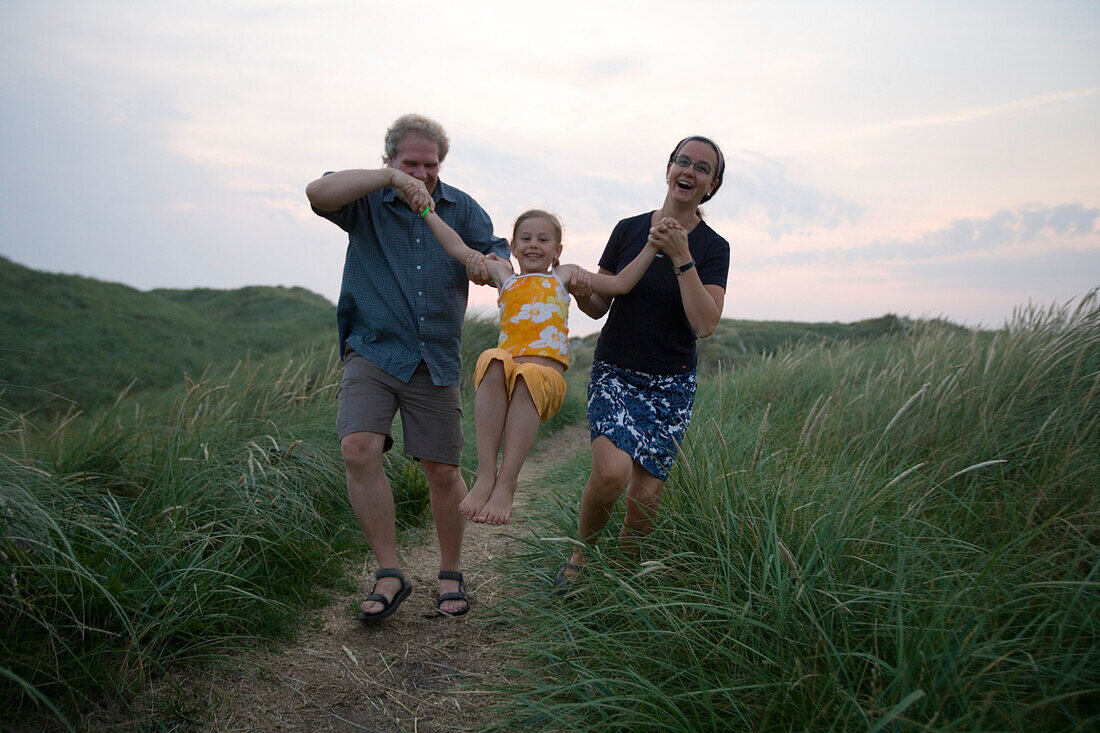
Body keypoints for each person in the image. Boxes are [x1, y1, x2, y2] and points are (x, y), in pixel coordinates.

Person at [305, 113, 509, 620]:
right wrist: (389, 181)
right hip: (372, 346)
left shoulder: (462, 207)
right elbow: (317, 191)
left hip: (435, 354)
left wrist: (496, 270)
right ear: (390, 160)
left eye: (430, 165)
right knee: (358, 448)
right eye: (409, 164)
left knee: (442, 470)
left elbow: (498, 256)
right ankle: (390, 573)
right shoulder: (367, 198)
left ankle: (450, 572)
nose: (421, 174)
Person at [402, 185, 660, 526]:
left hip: (546, 381)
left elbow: (621, 285)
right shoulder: (504, 277)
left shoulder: (564, 276)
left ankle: (507, 485)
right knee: (493, 358)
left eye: (542, 240)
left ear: (557, 250)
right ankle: (485, 474)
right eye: (525, 239)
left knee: (529, 375)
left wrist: (653, 245)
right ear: (513, 247)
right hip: (509, 376)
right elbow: (456, 247)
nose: (533, 245)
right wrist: (427, 212)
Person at [558, 135, 731, 585]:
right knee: (612, 474)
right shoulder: (629, 229)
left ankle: (618, 581)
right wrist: (582, 291)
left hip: (671, 384)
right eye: (683, 162)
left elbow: (705, 323)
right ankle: (580, 559)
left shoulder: (713, 248)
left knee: (645, 498)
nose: (689, 172)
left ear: (711, 186)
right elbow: (600, 306)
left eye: (702, 169)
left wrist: (682, 257)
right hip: (616, 369)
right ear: (669, 169)